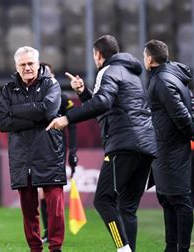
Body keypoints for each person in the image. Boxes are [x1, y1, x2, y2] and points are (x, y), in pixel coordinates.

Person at [47, 35, 158, 252]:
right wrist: (84, 93)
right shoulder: (130, 73)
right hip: (145, 145)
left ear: (98, 55)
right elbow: (107, 106)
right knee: (127, 207)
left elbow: (103, 102)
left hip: (124, 145)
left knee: (103, 200)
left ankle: (123, 248)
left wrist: (68, 118)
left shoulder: (107, 71)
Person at [0, 46, 66, 252]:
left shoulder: (51, 84)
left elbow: (48, 110)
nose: (27, 68)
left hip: (49, 153)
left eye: (30, 63)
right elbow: (1, 121)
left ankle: (56, 248)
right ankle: (35, 249)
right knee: (28, 210)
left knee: (55, 209)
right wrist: (36, 118)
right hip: (22, 156)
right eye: (22, 65)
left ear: (38, 63)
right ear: (16, 67)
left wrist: (15, 112)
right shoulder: (8, 89)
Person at [143, 39, 194, 252]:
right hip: (166, 147)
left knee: (179, 199)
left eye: (144, 56)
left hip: (169, 149)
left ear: (149, 59)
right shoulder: (174, 76)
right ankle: (171, 247)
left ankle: (182, 249)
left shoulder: (161, 80)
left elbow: (179, 112)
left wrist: (193, 131)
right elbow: (192, 102)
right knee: (168, 199)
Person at [39, 62, 78, 244]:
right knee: (41, 193)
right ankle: (47, 231)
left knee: (53, 192)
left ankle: (54, 233)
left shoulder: (61, 97)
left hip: (56, 150)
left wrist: (73, 150)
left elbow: (73, 123)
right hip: (38, 149)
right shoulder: (34, 96)